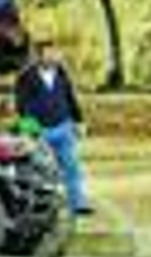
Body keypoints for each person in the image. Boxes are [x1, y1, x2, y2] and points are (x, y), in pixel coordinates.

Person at [16, 40, 93, 215]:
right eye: (48, 53)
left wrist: (79, 121)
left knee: (71, 166)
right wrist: (29, 131)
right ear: (38, 56)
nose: (53, 56)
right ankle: (41, 206)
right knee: (40, 170)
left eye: (54, 53)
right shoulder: (26, 77)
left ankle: (78, 203)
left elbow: (70, 98)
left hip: (63, 126)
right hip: (40, 131)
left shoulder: (62, 73)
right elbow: (21, 107)